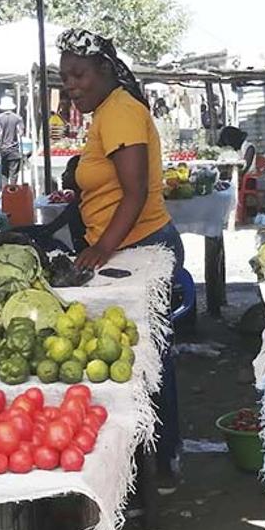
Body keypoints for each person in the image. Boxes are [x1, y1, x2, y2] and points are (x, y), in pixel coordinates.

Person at [58, 27, 184, 491]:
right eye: (65, 78)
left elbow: (135, 192)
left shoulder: (121, 112)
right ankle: (146, 463)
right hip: (127, 247)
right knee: (142, 357)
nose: (71, 86)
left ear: (105, 70)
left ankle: (163, 462)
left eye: (78, 75)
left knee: (149, 361)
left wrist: (100, 250)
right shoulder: (108, 112)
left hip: (141, 248)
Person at [0, 95, 25, 184]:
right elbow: (21, 133)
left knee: (4, 174)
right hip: (14, 149)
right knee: (14, 174)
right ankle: (13, 190)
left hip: (3, 149)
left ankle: (5, 190)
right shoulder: (18, 118)